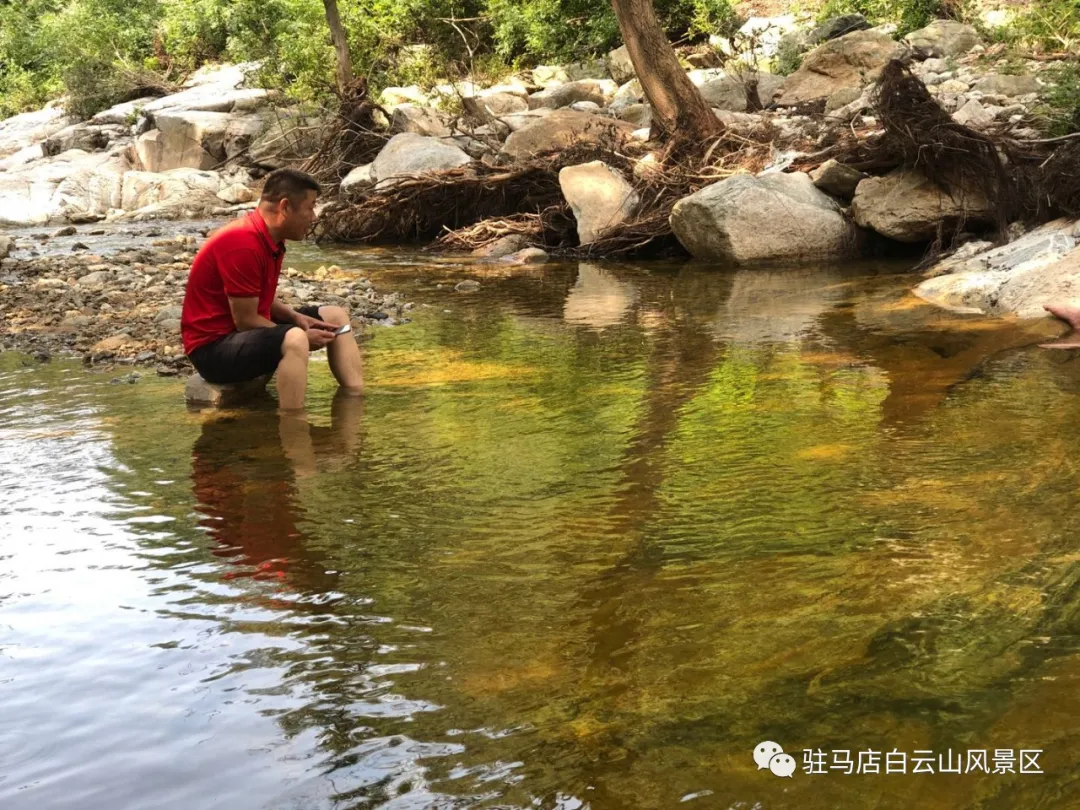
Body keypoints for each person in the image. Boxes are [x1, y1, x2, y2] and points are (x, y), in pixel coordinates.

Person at [180, 168, 364, 409]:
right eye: (310, 207)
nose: (314, 216)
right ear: (285, 207)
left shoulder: (269, 238)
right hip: (212, 350)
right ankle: (293, 427)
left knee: (335, 316)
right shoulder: (242, 243)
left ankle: (355, 403)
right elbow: (245, 320)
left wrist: (295, 316)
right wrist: (301, 335)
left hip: (241, 335)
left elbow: (255, 298)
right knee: (295, 338)